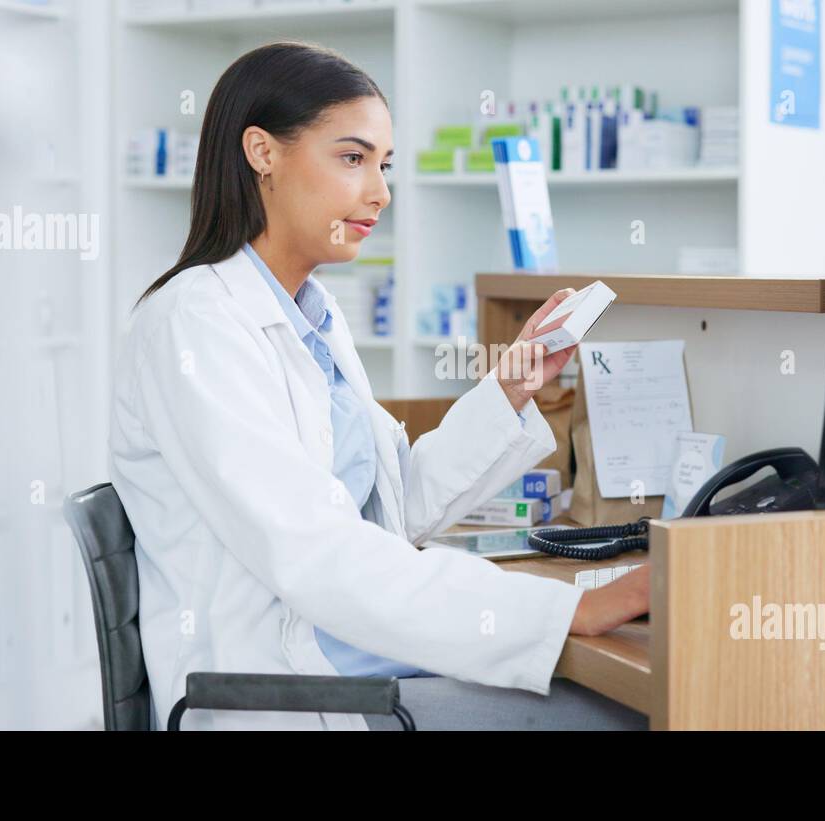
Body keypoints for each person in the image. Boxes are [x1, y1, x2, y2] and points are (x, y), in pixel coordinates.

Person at [110, 41, 649, 731]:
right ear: (262, 152)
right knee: (619, 716)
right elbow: (319, 553)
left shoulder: (312, 313)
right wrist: (569, 607)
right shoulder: (194, 325)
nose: (380, 192)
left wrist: (510, 389)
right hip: (294, 694)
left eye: (384, 165)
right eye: (352, 157)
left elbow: (390, 510)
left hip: (358, 662)